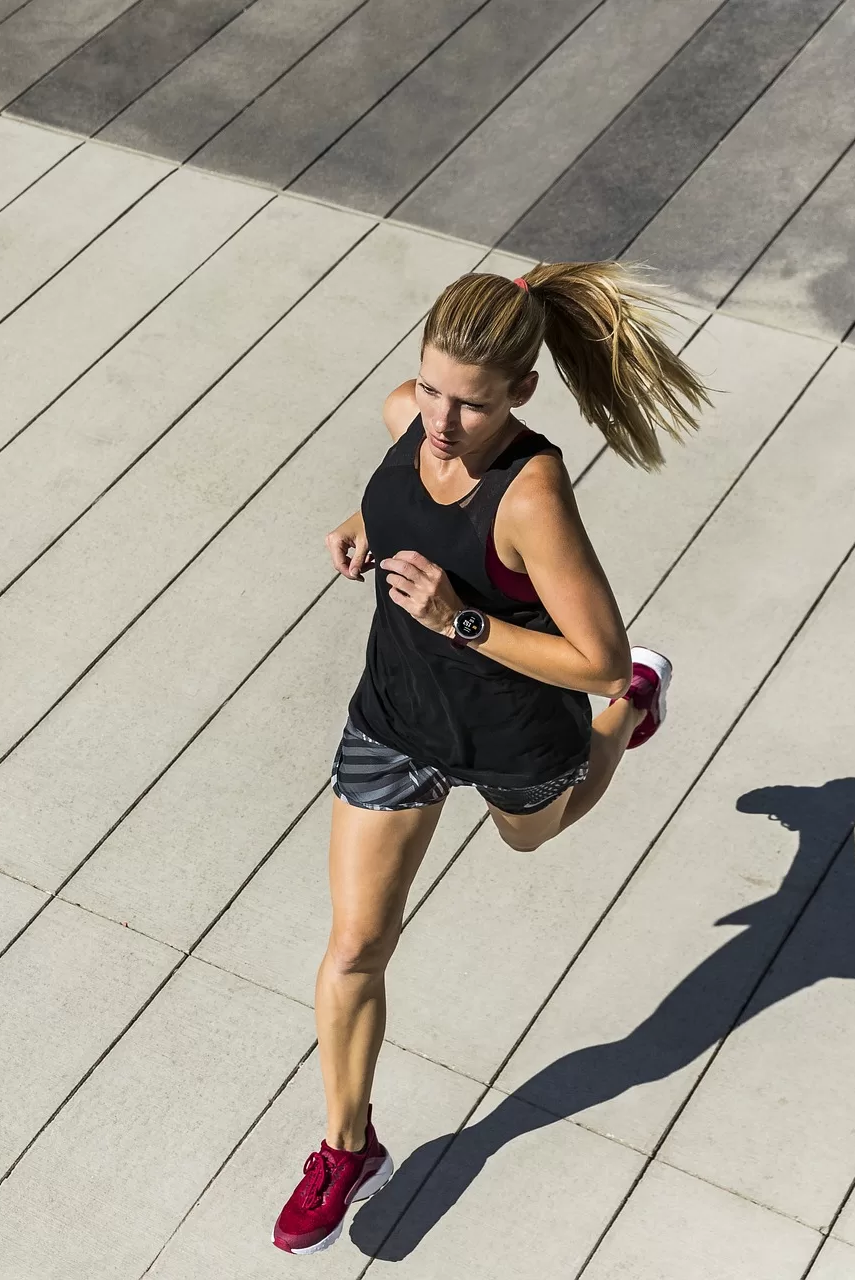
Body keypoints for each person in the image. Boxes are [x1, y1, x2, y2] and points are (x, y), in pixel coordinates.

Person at [272, 263, 710, 1255]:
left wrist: (459, 617)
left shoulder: (531, 494)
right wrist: (360, 524)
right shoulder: (407, 417)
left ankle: (636, 712)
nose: (439, 418)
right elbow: (398, 489)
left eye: (469, 403)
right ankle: (348, 1145)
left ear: (520, 393)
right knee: (353, 948)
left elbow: (591, 653)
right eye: (430, 387)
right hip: (394, 718)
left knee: (532, 834)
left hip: (517, 727)